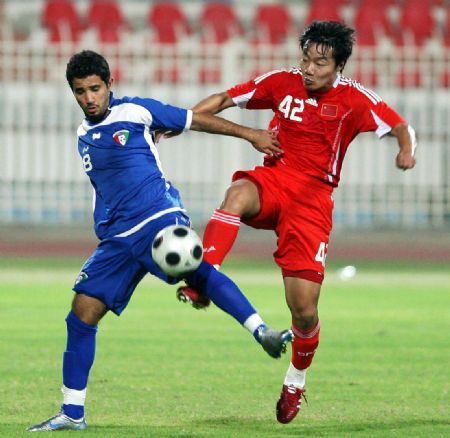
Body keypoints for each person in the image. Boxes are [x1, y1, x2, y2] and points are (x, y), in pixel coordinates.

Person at [26, 50, 293, 432]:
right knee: (81, 314)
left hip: (157, 215)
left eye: (95, 89)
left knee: (191, 265)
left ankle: (261, 331)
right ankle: (72, 413)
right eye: (81, 91)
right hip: (117, 239)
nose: (89, 98)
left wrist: (249, 133)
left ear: (110, 85)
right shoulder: (83, 134)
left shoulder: (136, 111)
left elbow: (195, 120)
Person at [174, 21, 417, 424]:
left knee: (303, 311)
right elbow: (222, 98)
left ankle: (295, 380)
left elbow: (400, 126)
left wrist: (406, 151)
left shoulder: (355, 99)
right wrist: (178, 121)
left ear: (338, 65)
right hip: (274, 179)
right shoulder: (281, 82)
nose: (308, 67)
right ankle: (204, 280)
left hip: (312, 203)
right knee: (236, 195)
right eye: (305, 58)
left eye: (319, 62)